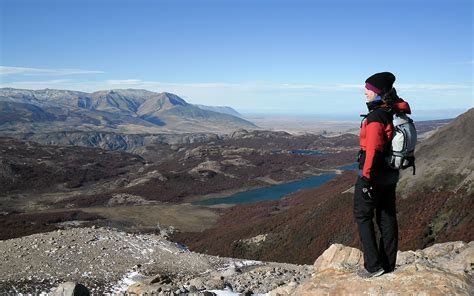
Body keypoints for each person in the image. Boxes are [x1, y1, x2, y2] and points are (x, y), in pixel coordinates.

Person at [354, 72, 412, 278]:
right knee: (387, 217)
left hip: (374, 175)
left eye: (368, 89)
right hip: (390, 175)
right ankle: (388, 264)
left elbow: (373, 150)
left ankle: (373, 266)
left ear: (378, 93)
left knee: (363, 216)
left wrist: (366, 179)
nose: (365, 92)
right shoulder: (393, 112)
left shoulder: (377, 116)